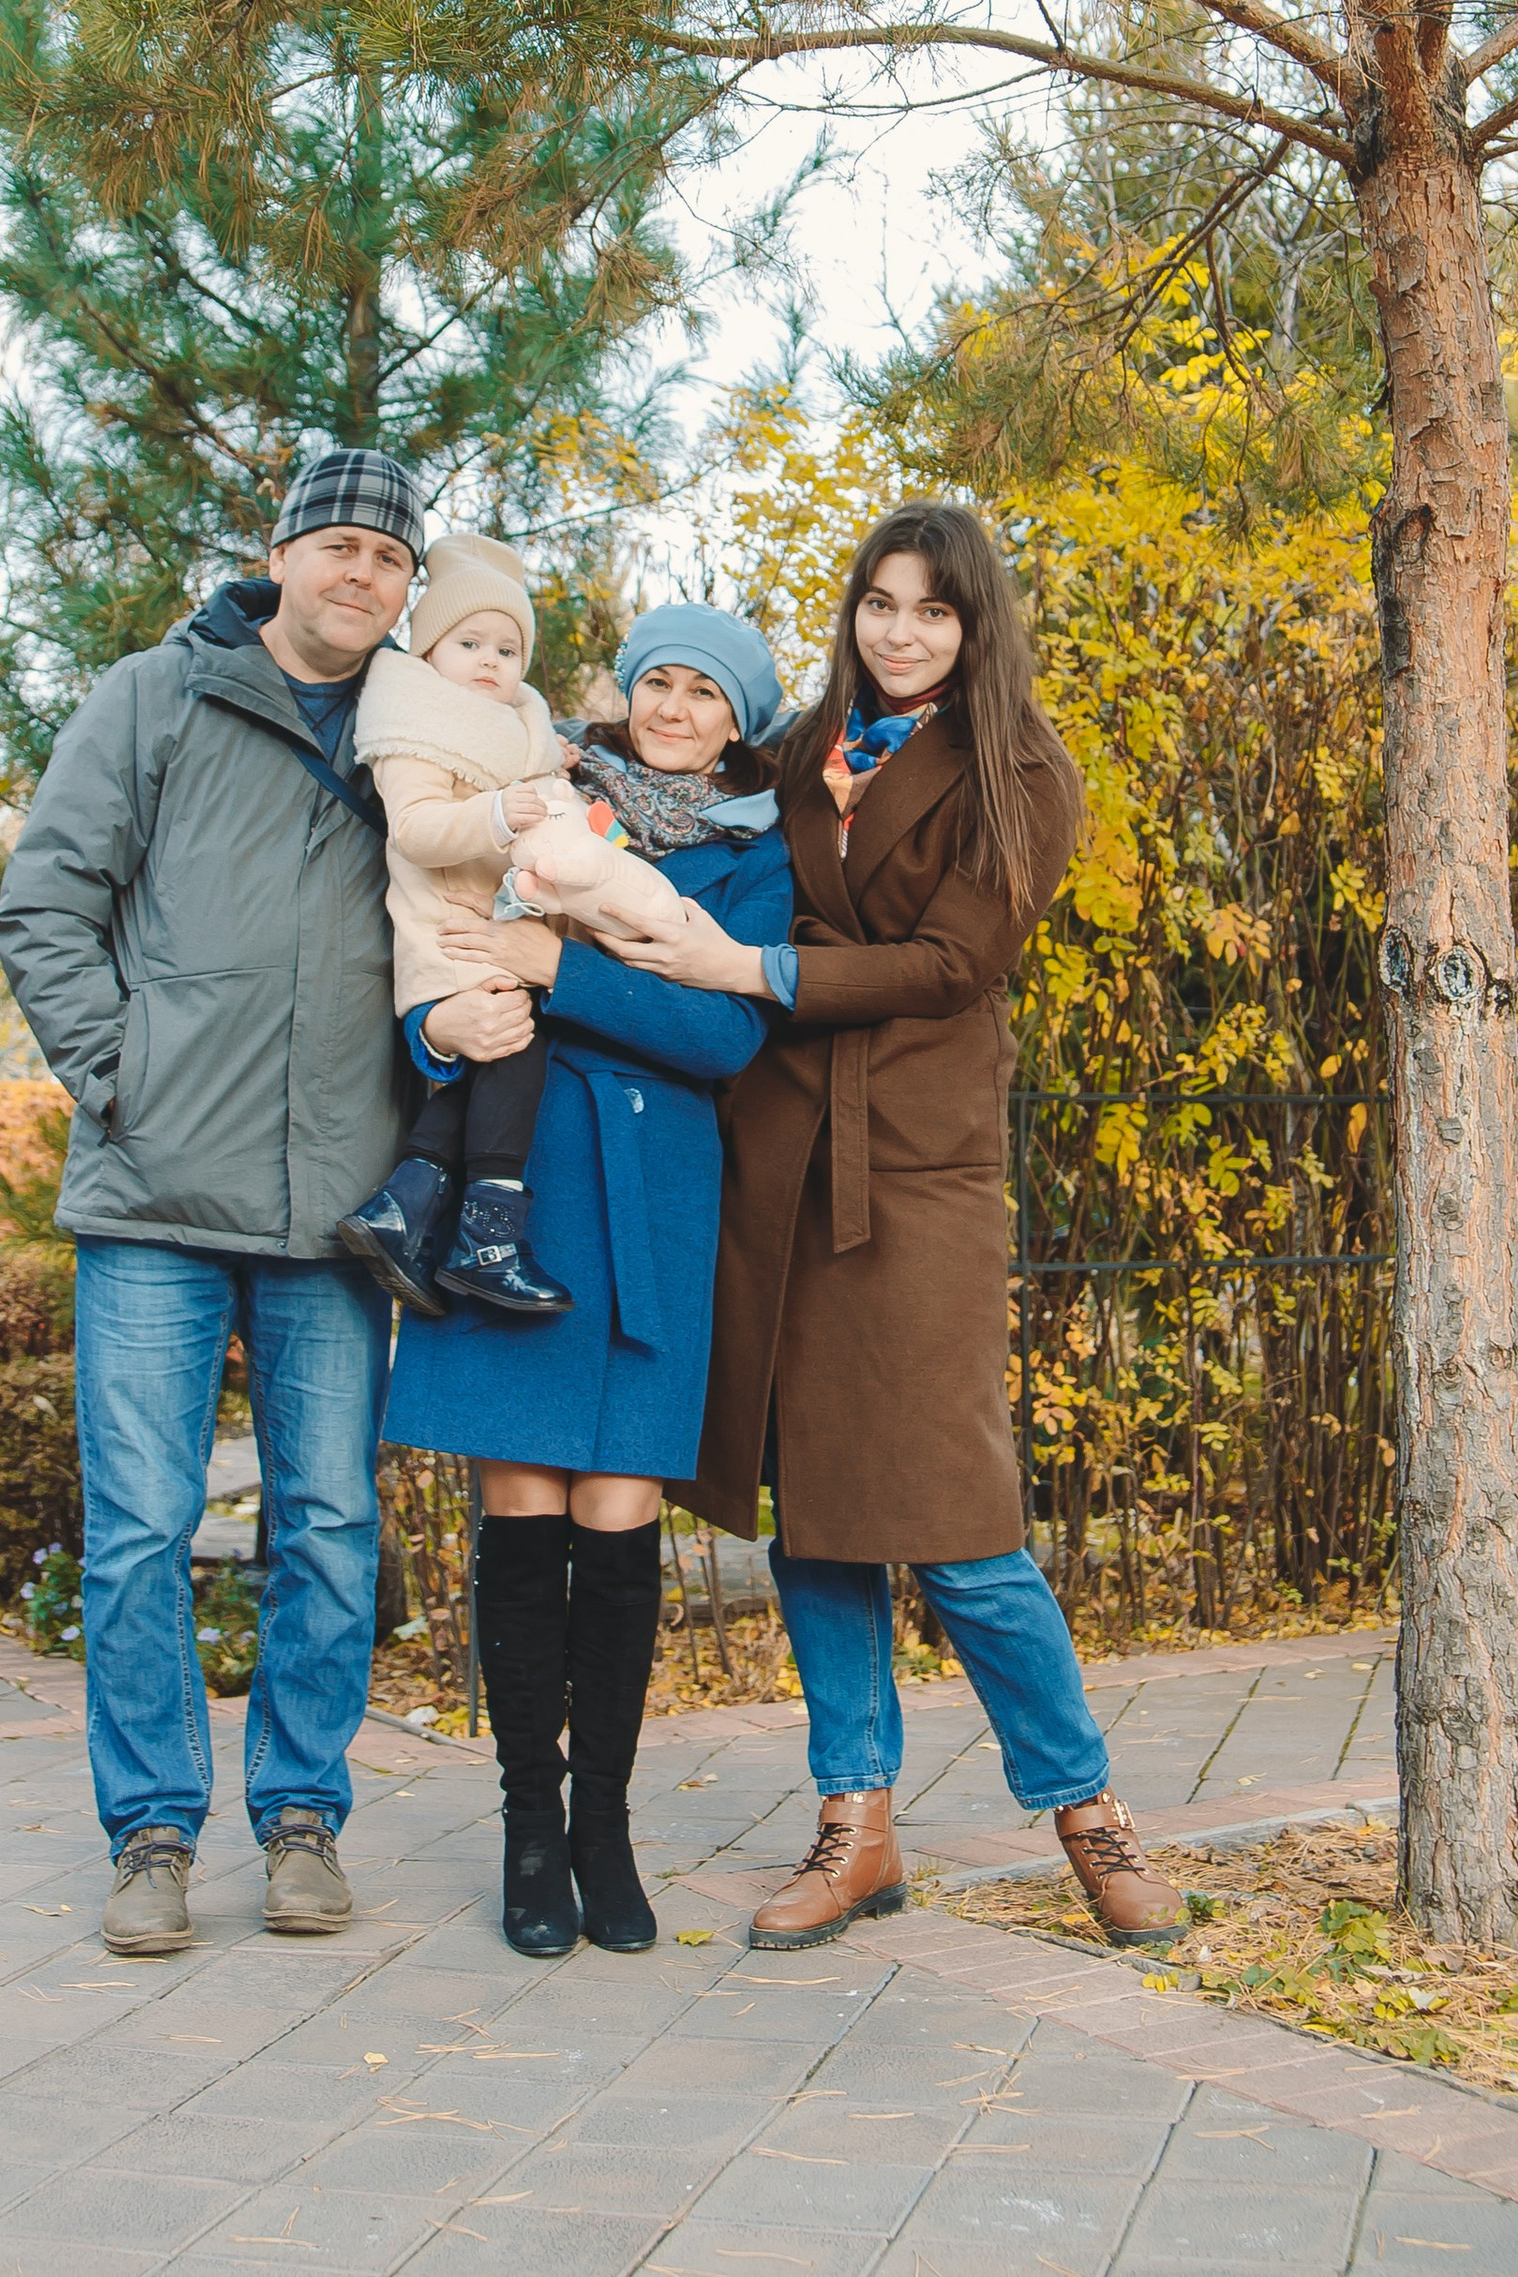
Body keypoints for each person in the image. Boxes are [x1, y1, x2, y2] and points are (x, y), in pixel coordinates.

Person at [596, 506, 1185, 1953]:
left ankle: (1088, 1814)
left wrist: (757, 967)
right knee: (819, 1514)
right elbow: (662, 787)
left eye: (931, 609)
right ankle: (855, 1826)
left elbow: (952, 962)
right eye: (878, 603)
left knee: (956, 1519)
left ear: (974, 626)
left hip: (916, 1167)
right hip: (777, 1161)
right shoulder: (800, 751)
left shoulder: (1020, 769)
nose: (900, 631)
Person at [0, 447, 424, 1960]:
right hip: (154, 1197)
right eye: (338, 544)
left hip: (336, 1206)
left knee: (331, 1530)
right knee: (138, 1532)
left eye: (390, 556)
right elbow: (46, 902)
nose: (361, 572)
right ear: (280, 553)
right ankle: (152, 1833)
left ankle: (302, 1817)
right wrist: (122, 1080)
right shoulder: (151, 697)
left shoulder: (418, 728)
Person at [386, 604, 794, 1960]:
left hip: (655, 1207)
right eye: (656, 682)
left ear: (739, 719)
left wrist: (559, 966)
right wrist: (439, 1024)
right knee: (520, 1515)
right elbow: (438, 930)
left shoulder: (755, 853)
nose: (673, 708)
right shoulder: (539, 788)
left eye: (704, 692)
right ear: (626, 690)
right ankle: (527, 1826)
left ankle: (603, 1829)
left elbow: (724, 1034)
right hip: (522, 1189)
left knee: (619, 1524)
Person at [337, 532, 578, 1322]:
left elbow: (525, 785)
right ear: (429, 649)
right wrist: (499, 811)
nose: (489, 662)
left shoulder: (508, 732)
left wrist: (550, 777)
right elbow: (415, 831)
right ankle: (487, 1238)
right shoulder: (416, 727)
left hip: (488, 933)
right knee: (516, 1052)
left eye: (507, 650)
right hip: (446, 937)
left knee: (494, 1061)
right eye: (468, 643)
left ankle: (404, 1205)